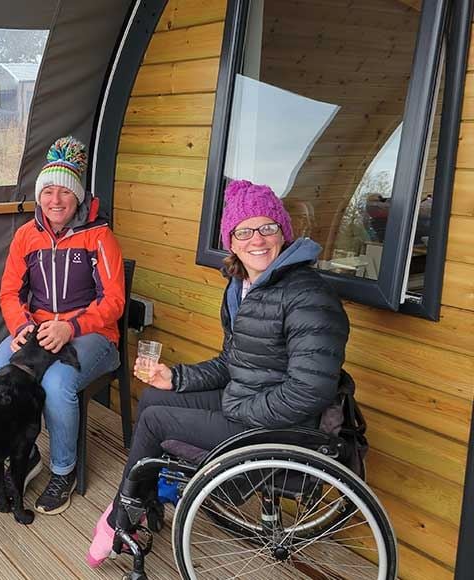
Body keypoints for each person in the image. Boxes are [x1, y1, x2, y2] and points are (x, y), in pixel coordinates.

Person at [86, 179, 350, 566]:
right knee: (157, 397)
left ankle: (121, 515)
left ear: (284, 233)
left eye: (267, 228)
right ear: (232, 241)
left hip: (282, 423)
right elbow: (232, 362)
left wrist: (239, 412)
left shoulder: (308, 295)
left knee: (157, 421)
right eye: (244, 231)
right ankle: (146, 497)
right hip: (248, 398)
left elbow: (308, 392)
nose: (256, 240)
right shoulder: (244, 286)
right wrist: (175, 378)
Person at [0, 136, 126, 515]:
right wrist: (20, 327)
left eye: (64, 191)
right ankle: (26, 453)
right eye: (48, 190)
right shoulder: (26, 236)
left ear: (78, 196)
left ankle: (63, 469)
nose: (56, 199)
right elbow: (9, 293)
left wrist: (72, 328)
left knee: (56, 382)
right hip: (38, 328)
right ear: (39, 196)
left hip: (93, 334)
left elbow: (114, 301)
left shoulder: (99, 236)